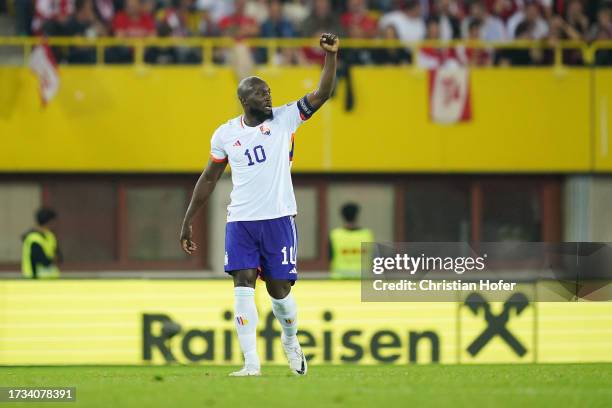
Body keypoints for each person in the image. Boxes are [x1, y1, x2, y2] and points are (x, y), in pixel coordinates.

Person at [180, 33, 339, 377]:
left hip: (279, 219)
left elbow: (323, 93)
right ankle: (251, 363)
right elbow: (209, 178)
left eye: (269, 91)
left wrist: (330, 57)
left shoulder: (286, 118)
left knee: (279, 292)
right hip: (240, 221)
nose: (268, 96)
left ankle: (291, 339)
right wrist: (188, 219)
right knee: (242, 285)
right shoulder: (225, 134)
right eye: (260, 92)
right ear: (243, 99)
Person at [329, 203, 374, 280]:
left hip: (340, 280)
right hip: (362, 280)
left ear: (342, 216)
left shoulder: (335, 235)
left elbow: (329, 257)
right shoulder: (367, 235)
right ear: (357, 216)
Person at [21, 208, 62, 279]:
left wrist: (52, 259)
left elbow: (60, 257)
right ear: (50, 222)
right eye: (54, 221)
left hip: (51, 277)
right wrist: (53, 259)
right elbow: (44, 261)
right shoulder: (33, 238)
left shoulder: (50, 236)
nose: (56, 224)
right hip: (34, 279)